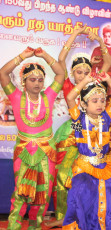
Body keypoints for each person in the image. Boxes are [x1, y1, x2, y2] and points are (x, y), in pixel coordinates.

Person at [0, 47, 64, 229]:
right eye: (32, 79)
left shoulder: (49, 96)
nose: (37, 83)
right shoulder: (16, 96)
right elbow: (3, 73)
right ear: (24, 81)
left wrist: (44, 55)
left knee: (43, 193)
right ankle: (14, 226)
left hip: (46, 151)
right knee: (21, 191)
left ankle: (35, 226)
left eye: (40, 79)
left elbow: (60, 74)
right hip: (24, 151)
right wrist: (22, 56)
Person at [62, 71, 111, 229]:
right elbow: (69, 98)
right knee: (84, 199)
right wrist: (85, 81)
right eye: (94, 101)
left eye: (102, 101)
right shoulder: (79, 118)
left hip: (103, 167)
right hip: (84, 168)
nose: (100, 104)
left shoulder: (106, 117)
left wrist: (108, 79)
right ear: (83, 104)